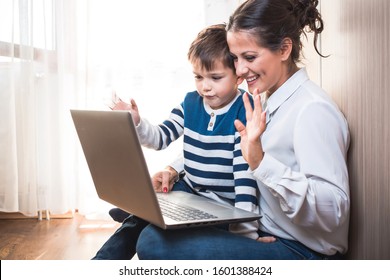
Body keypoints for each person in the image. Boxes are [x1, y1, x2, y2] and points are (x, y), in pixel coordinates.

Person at [135, 0, 350, 260]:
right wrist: (175, 168)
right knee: (154, 216)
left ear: (284, 49)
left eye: (249, 57)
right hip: (258, 225)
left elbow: (334, 213)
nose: (238, 70)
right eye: (235, 59)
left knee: (152, 242)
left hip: (296, 248)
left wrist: (259, 161)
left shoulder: (312, 110)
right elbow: (225, 148)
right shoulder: (266, 99)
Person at [92, 23, 260, 260]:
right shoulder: (190, 103)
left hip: (224, 206)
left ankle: (139, 215)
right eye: (198, 77)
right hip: (189, 189)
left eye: (216, 77)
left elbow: (245, 179)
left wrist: (246, 235)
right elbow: (160, 138)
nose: (205, 86)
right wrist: (137, 122)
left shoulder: (244, 111)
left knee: (148, 223)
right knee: (141, 217)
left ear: (238, 77)